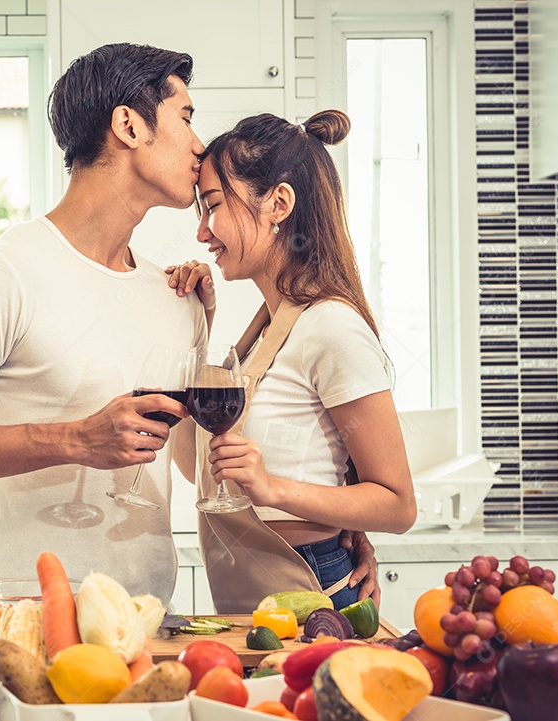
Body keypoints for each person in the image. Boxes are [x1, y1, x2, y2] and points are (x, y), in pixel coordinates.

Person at [0, 43, 209, 605]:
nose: (199, 145)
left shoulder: (175, 296)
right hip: (17, 620)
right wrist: (74, 439)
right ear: (128, 125)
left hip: (145, 623)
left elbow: (193, 466)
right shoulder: (1, 272)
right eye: (186, 118)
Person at [174, 109, 416, 612]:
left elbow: (397, 504)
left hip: (311, 589)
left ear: (278, 203)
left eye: (213, 205)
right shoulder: (263, 330)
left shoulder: (330, 326)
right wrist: (193, 322)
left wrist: (272, 487)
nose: (202, 231)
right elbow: (191, 465)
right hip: (258, 601)